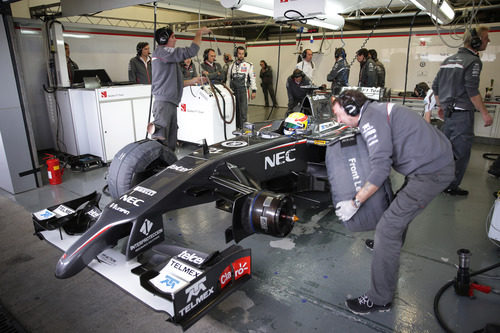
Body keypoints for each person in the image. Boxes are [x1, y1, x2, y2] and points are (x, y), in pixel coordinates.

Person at [332, 89, 454, 315]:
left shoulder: (369, 122)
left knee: (387, 229)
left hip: (431, 172)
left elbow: (380, 171)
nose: (338, 120)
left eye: (339, 115)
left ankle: (379, 299)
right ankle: (387, 245)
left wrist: (355, 203)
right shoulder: (375, 111)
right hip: (432, 161)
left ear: (352, 110)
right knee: (398, 211)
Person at [432, 25, 493, 196]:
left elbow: (435, 87)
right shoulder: (473, 61)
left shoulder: (448, 60)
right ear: (475, 40)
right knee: (460, 152)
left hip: (449, 115)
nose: (488, 41)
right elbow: (472, 90)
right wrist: (485, 113)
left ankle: (439, 181)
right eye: (486, 38)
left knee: (445, 151)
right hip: (462, 115)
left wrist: (441, 106)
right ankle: (451, 185)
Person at [148, 26, 210, 151]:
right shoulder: (162, 52)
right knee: (161, 140)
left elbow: (175, 83)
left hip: (170, 103)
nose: (175, 40)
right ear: (164, 39)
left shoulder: (167, 57)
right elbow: (190, 51)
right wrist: (199, 33)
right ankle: (161, 168)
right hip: (164, 104)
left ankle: (169, 166)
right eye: (173, 37)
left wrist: (192, 81)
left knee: (171, 140)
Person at [227, 46, 257, 128]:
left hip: (244, 91)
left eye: (242, 54)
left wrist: (254, 91)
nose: (241, 55)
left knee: (243, 113)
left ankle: (243, 130)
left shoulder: (249, 65)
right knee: (235, 112)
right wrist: (228, 91)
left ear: (245, 54)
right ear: (236, 54)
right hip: (234, 92)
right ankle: (236, 128)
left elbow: (252, 78)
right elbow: (228, 80)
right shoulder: (231, 66)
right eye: (239, 54)